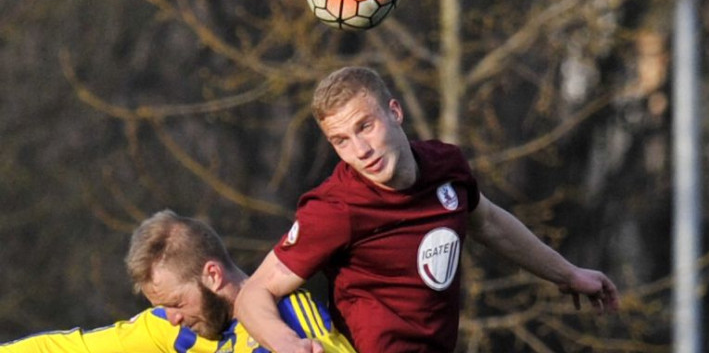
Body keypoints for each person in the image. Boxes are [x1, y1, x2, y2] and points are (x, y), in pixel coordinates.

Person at [235, 66, 620, 352]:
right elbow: (253, 293)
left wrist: (566, 274)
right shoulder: (337, 207)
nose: (360, 151)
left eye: (365, 126)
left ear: (395, 112)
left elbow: (489, 223)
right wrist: (286, 343)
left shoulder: (445, 166)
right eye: (341, 141)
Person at [0, 210, 355, 353]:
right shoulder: (170, 330)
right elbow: (70, 349)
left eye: (176, 303)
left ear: (212, 275)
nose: (171, 317)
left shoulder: (287, 314)